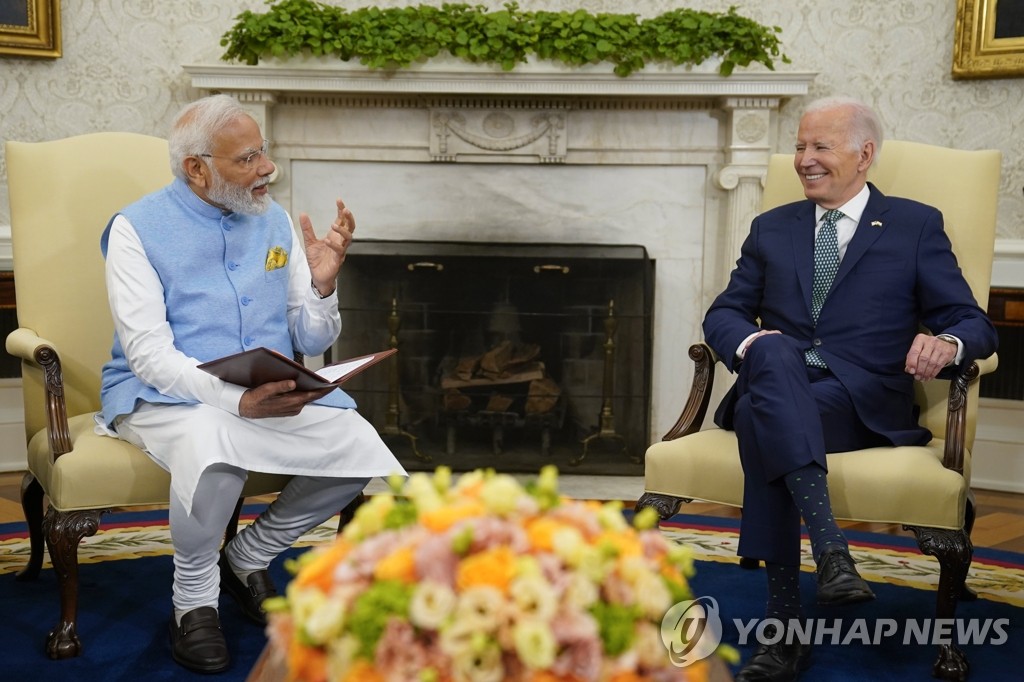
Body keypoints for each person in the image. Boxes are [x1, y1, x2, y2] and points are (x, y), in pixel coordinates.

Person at [95, 94, 406, 674]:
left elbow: (309, 339)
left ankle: (248, 555)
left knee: (357, 444)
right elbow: (147, 354)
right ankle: (192, 602)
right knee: (213, 441)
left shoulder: (277, 220)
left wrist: (321, 287)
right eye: (249, 158)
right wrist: (232, 398)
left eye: (265, 152)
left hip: (267, 388)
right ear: (197, 168)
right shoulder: (135, 229)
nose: (268, 169)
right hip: (166, 394)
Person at [702, 96, 998, 682]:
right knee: (776, 353)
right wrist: (754, 344)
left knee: (767, 422)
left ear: (864, 155)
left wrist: (948, 345)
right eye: (799, 147)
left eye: (820, 147)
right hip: (779, 382)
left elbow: (974, 322)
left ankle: (784, 629)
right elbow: (724, 314)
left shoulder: (915, 224)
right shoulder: (771, 228)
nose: (804, 160)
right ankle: (832, 552)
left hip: (860, 401)